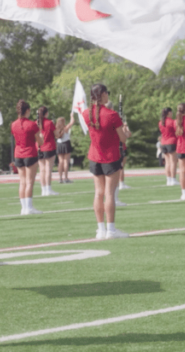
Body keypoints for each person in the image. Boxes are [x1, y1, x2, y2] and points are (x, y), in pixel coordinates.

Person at [82, 83, 131, 239]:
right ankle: (111, 230)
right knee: (109, 193)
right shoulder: (111, 115)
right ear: (102, 94)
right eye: (107, 93)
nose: (108, 95)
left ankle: (100, 230)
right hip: (110, 156)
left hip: (94, 156)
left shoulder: (85, 113)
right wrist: (125, 129)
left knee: (98, 193)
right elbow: (123, 138)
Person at [11, 100, 42, 215]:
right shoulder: (32, 124)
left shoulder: (14, 124)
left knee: (22, 182)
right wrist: (40, 132)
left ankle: (23, 208)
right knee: (29, 182)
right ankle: (29, 207)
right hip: (30, 153)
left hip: (18, 154)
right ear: (27, 110)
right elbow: (40, 141)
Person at [36, 106, 59, 197]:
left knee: (41, 170)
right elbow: (56, 134)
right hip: (49, 147)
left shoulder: (35, 123)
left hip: (38, 147)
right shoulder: (49, 123)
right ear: (46, 113)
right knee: (48, 169)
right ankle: (48, 189)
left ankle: (43, 189)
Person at [159, 107, 178, 186]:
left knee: (167, 162)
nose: (172, 114)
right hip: (171, 141)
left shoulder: (160, 122)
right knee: (173, 161)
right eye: (171, 112)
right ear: (169, 113)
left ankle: (168, 179)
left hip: (163, 142)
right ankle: (173, 179)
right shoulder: (172, 122)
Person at [56, 116, 76, 184]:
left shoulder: (56, 129)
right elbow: (72, 121)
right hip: (66, 144)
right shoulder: (66, 128)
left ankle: (60, 178)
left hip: (59, 144)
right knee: (65, 162)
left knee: (60, 162)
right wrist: (71, 115)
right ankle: (66, 178)